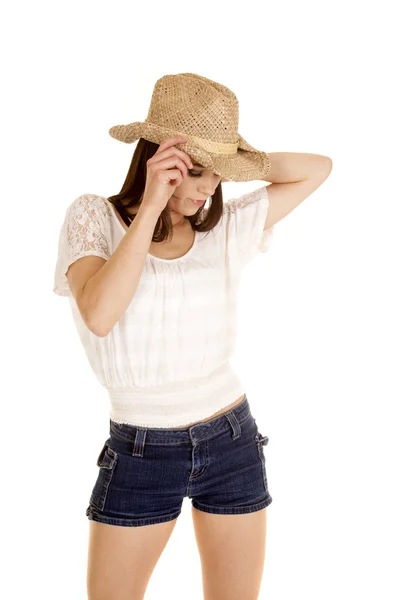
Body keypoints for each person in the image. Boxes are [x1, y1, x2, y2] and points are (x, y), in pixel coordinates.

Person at [53, 73, 275, 600]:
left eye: (219, 176)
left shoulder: (219, 229)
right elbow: (100, 314)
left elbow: (317, 170)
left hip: (232, 438)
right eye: (197, 172)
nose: (208, 190)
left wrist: (233, 156)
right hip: (141, 450)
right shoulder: (94, 217)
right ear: (157, 158)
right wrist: (152, 203)